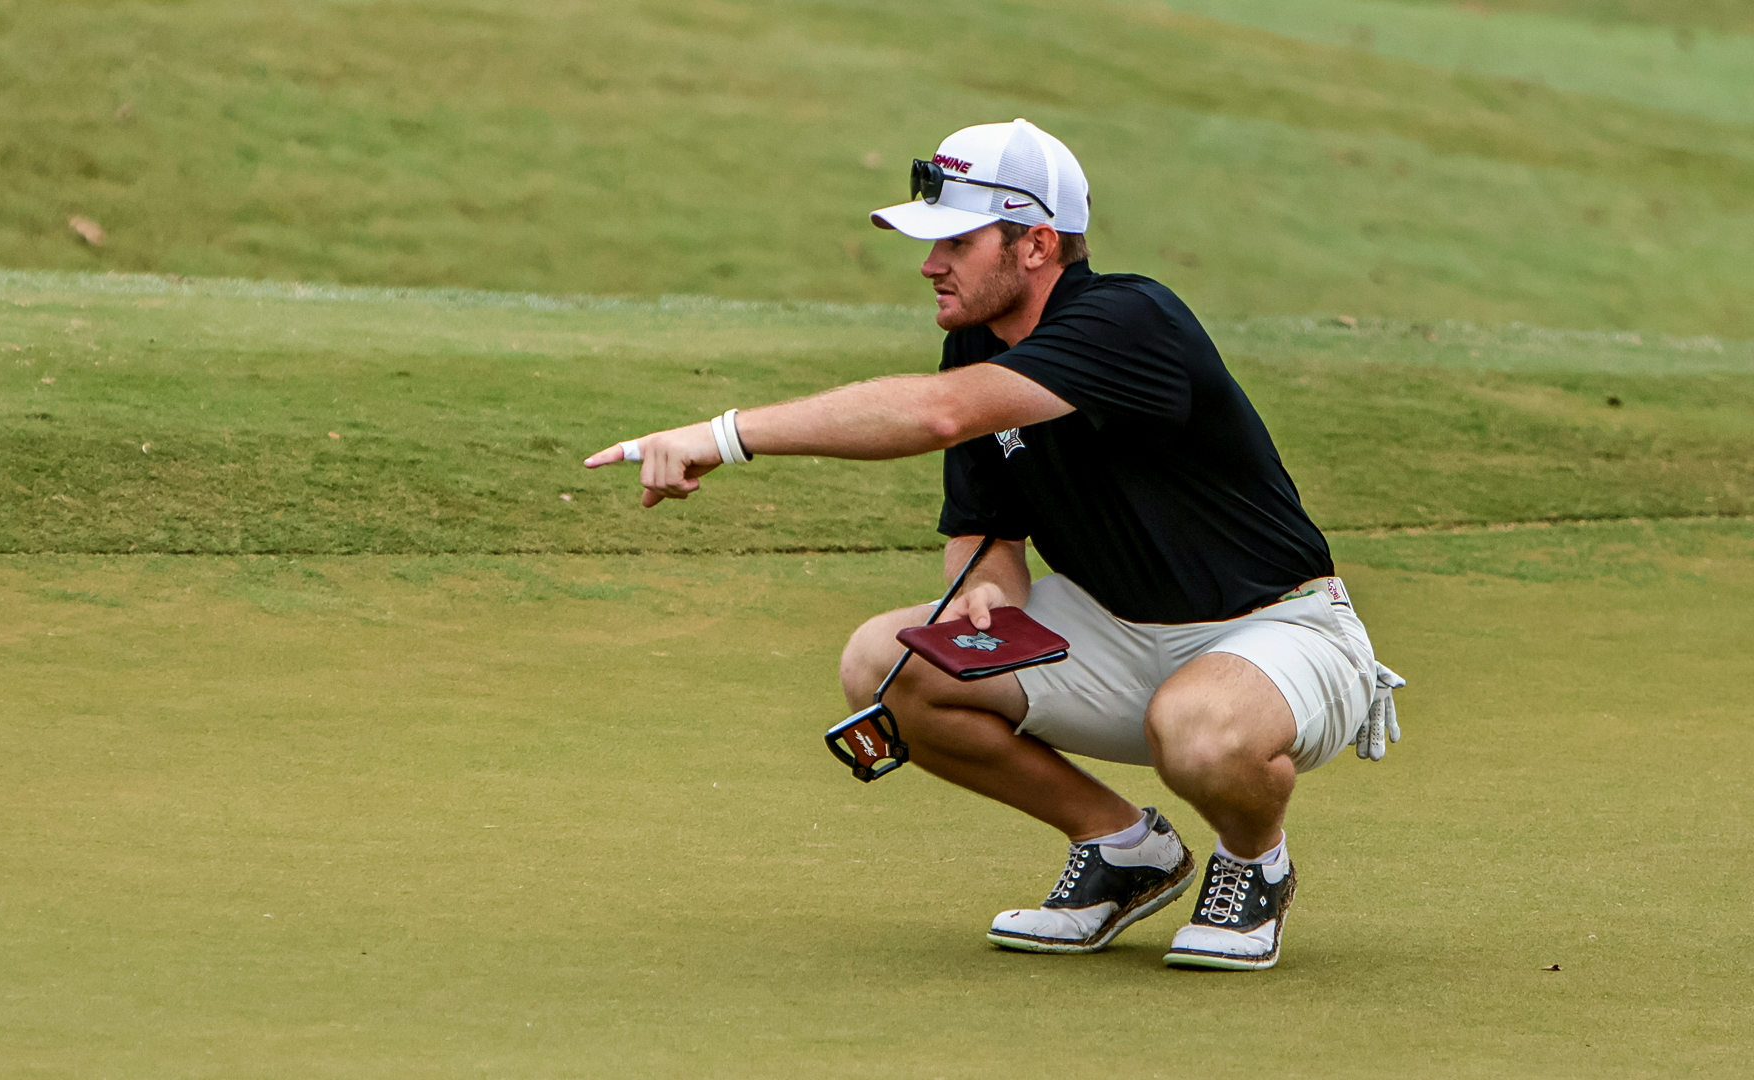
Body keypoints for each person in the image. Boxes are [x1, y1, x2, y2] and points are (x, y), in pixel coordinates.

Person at [586, 119, 1404, 971]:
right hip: (1115, 633)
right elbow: (986, 530)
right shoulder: (973, 344)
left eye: (956, 242)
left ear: (1038, 243)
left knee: (1198, 728)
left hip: (1277, 633)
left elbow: (935, 415)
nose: (930, 264)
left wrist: (724, 435)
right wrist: (986, 591)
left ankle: (1254, 859)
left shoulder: (1131, 317)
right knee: (886, 665)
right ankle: (1122, 847)